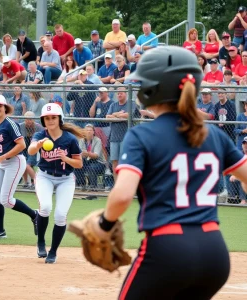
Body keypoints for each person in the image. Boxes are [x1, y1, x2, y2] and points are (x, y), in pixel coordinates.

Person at [88, 46, 247, 299]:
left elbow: (121, 196)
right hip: (215, 253)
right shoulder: (213, 134)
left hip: (167, 249)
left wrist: (104, 224)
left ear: (155, 88)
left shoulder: (142, 135)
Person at [28, 103, 83, 263]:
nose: (50, 120)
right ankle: (40, 242)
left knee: (60, 216)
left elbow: (79, 164)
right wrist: (37, 145)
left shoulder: (70, 139)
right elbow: (31, 150)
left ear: (59, 119)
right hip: (45, 176)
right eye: (47, 118)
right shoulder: (40, 135)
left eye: (53, 117)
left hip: (65, 179)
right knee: (45, 208)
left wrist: (65, 159)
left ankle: (53, 251)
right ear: (43, 120)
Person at [0, 94, 38, 239]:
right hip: (1, 163)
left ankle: (35, 215)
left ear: (5, 108)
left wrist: (2, 157)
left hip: (15, 161)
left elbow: (22, 145)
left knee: (6, 200)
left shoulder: (10, 124)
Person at [74, 124, 106, 191]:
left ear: (93, 132)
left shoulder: (97, 140)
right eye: (87, 130)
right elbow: (80, 153)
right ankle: (81, 185)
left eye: (90, 130)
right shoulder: (81, 140)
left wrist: (87, 153)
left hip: (98, 162)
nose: (88, 132)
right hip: (86, 160)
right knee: (77, 164)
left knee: (92, 167)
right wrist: (83, 154)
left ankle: (93, 187)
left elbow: (96, 155)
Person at [19, 111, 43, 189]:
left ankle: (36, 182)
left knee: (27, 165)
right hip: (24, 147)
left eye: (30, 119)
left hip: (34, 147)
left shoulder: (38, 127)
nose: (28, 121)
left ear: (34, 120)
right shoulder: (21, 126)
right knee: (23, 166)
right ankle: (26, 182)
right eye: (26, 119)